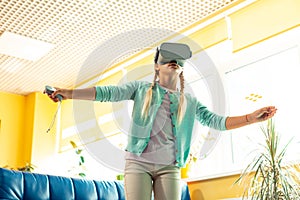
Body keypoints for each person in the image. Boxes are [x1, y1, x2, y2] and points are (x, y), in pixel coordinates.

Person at [45, 42, 277, 200]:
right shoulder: (140, 89)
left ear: (182, 69)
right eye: (168, 59)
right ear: (157, 66)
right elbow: (108, 93)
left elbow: (217, 121)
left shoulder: (190, 101)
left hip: (170, 167)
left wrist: (251, 118)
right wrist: (68, 92)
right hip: (138, 164)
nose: (173, 62)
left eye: (178, 60)